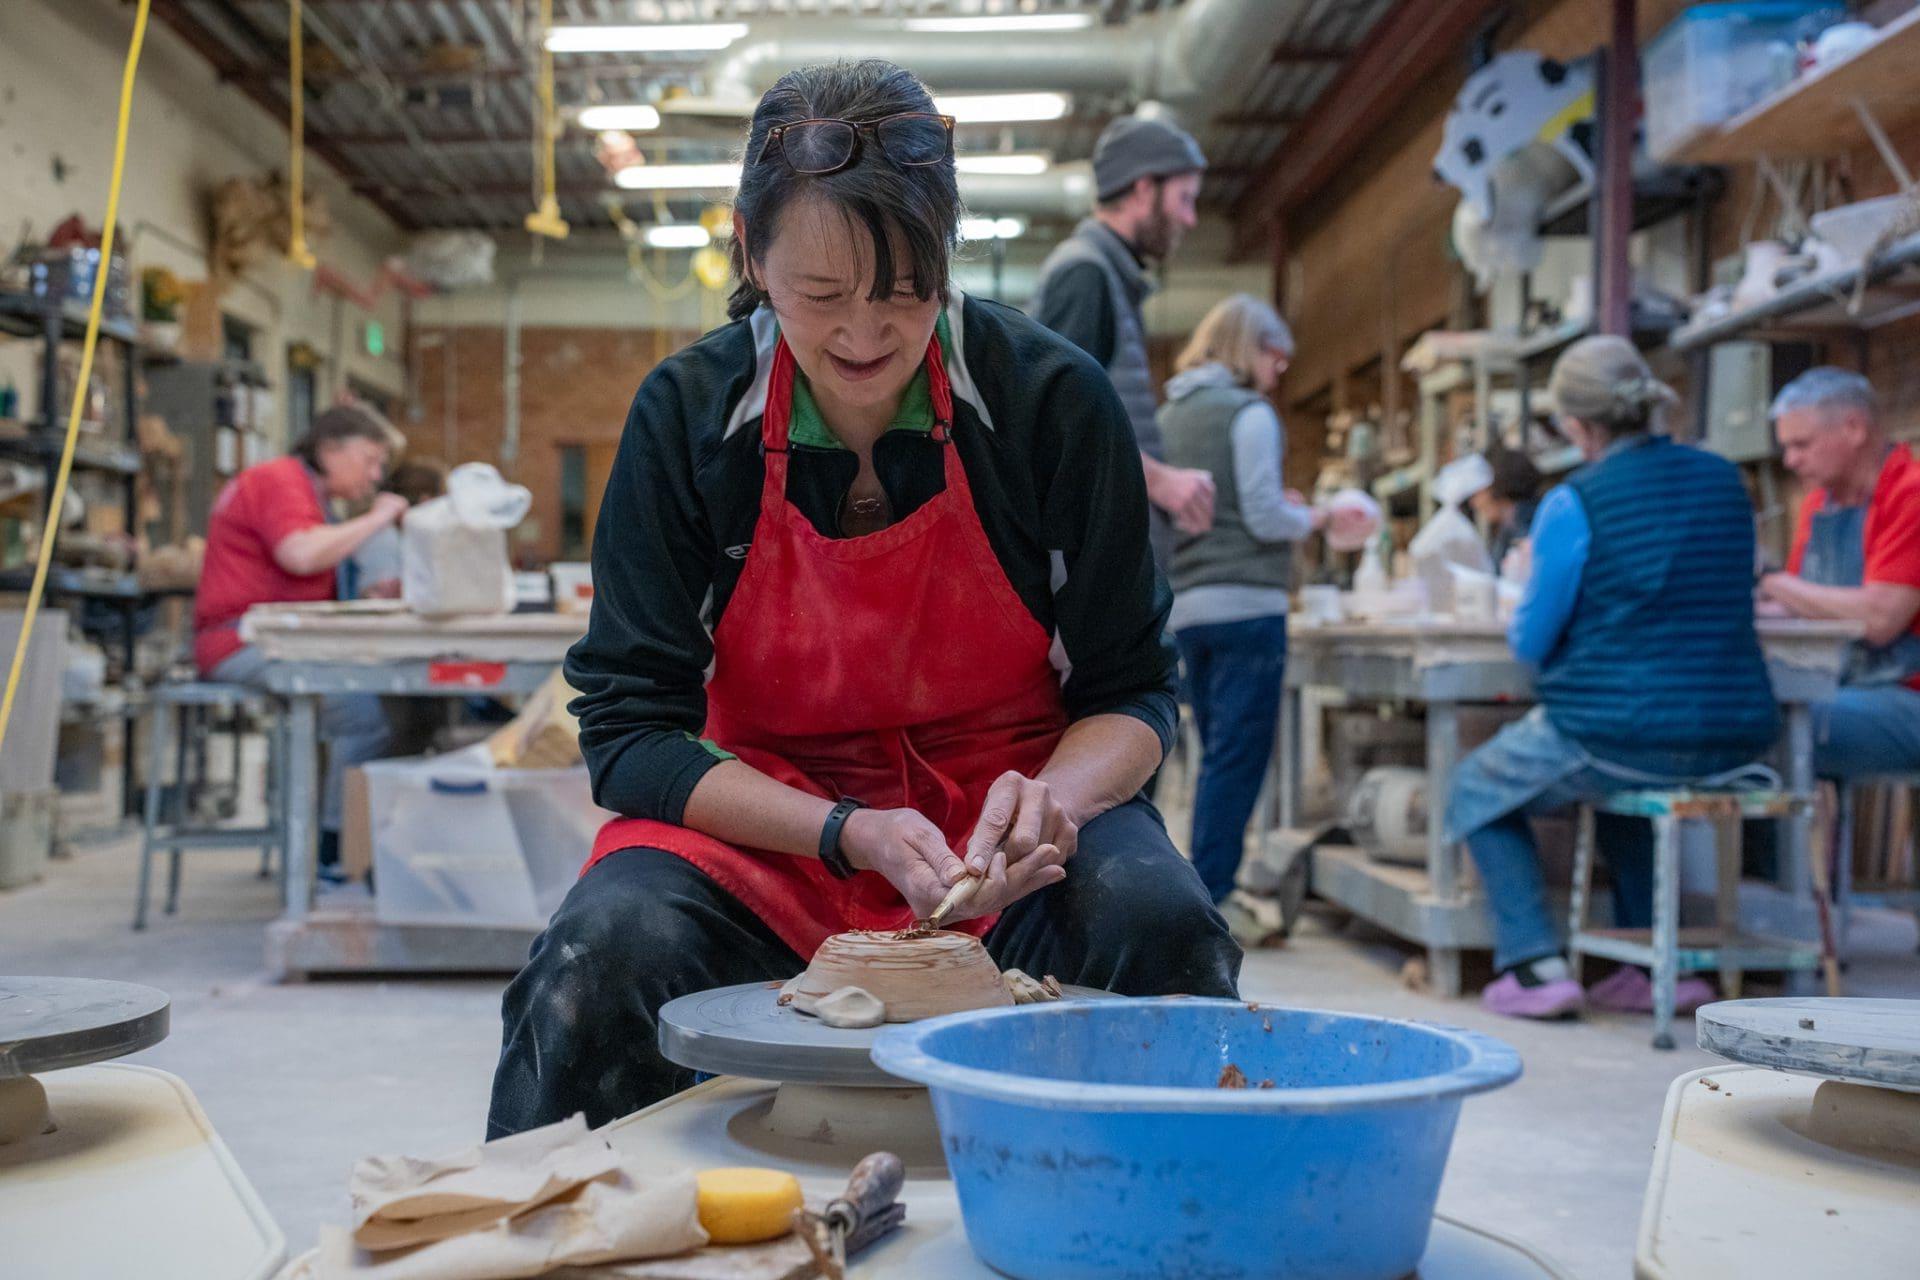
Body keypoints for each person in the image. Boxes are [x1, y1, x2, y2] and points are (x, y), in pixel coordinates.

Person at [488, 61, 1239, 1138]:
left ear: (949, 257)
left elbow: (1132, 691)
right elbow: (629, 734)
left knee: (1162, 926)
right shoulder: (689, 416)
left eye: (906, 290)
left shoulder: (1050, 401)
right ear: (751, 255)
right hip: (770, 824)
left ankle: (1160, 1230)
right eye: (821, 295)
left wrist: (1054, 806)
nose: (864, 336)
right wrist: (843, 829)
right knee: (599, 958)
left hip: (1006, 824)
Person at [1444, 337, 1780, 1021]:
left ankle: (1536, 966)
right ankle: (1645, 966)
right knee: (1630, 781)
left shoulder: (1577, 500)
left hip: (1616, 724)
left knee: (1474, 787)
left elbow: (1532, 640)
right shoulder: (1724, 479)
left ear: (1573, 424)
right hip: (1733, 729)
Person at [1159, 295, 1322, 943]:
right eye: (1274, 357)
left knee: (1207, 754)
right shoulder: (1250, 414)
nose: (1277, 373)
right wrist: (1319, 516)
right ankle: (1215, 894)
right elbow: (1260, 515)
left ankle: (1204, 882)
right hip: (1248, 605)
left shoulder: (1169, 413)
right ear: (1249, 347)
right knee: (1237, 756)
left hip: (1187, 606)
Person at [194, 405, 409, 875]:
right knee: (359, 712)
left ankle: (357, 843)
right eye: (370, 459)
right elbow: (300, 554)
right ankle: (334, 854)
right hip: (239, 641)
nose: (374, 476)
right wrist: (378, 518)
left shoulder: (311, 496)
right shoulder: (279, 480)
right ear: (329, 448)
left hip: (276, 640)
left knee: (395, 698)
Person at [1031, 112, 1216, 564]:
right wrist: (1161, 482)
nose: (1190, 219)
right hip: (1083, 572)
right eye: (1184, 199)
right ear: (1143, 190)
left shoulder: (1109, 276)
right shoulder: (1086, 275)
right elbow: (1057, 423)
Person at [1757, 368, 1920, 778]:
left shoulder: (1911, 494)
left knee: (1765, 727)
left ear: (1853, 428)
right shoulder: (1819, 505)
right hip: (1846, 685)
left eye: (1802, 445)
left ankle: (1778, 845)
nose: (1791, 460)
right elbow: (1796, 608)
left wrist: (1771, 580)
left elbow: (1880, 619)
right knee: (1728, 711)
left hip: (1906, 695)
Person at [342, 457, 447, 600]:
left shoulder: (397, 534)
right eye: (444, 499)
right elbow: (379, 597)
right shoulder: (383, 537)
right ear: (426, 501)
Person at [1470, 448, 1542, 571]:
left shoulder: (1526, 531)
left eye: (1477, 492)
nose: (1474, 503)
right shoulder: (1509, 528)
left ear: (1496, 485)